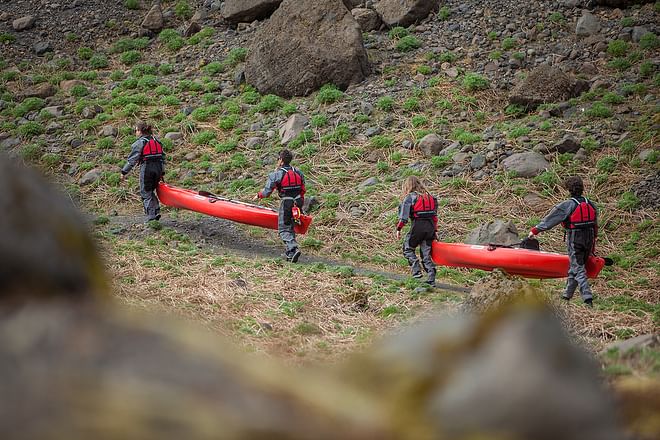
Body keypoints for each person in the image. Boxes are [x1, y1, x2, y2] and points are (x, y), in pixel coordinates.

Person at [528, 176, 597, 306]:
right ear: (582, 188)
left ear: (568, 189)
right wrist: (593, 245)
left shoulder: (568, 205)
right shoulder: (591, 204)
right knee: (574, 267)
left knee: (579, 268)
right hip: (589, 238)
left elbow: (551, 219)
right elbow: (595, 225)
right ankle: (566, 296)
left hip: (575, 238)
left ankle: (587, 298)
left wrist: (535, 230)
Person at [255, 149, 305, 263]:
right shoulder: (298, 172)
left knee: (283, 229)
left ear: (281, 160)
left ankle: (293, 248)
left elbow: (266, 192)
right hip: (298, 202)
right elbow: (303, 190)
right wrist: (300, 206)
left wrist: (258, 195)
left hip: (287, 203)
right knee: (290, 227)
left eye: (278, 159)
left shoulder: (276, 174)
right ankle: (290, 254)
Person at [396, 176, 438, 287]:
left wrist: (399, 229)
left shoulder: (410, 197)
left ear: (408, 185)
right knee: (426, 254)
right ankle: (431, 278)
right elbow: (435, 217)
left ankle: (416, 271)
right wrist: (435, 231)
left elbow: (404, 217)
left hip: (417, 227)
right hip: (430, 228)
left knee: (408, 248)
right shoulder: (431, 197)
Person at [120, 121, 165, 223]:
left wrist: (124, 172)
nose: (135, 133)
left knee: (145, 191)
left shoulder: (140, 143)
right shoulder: (157, 140)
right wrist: (162, 172)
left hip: (147, 168)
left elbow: (132, 160)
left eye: (136, 130)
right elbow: (162, 157)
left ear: (140, 131)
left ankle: (151, 217)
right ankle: (155, 212)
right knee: (151, 190)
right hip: (158, 168)